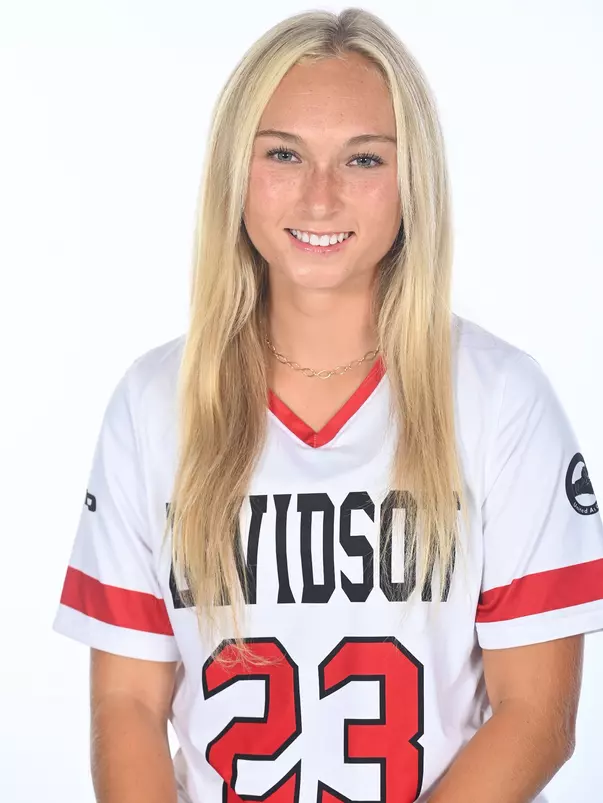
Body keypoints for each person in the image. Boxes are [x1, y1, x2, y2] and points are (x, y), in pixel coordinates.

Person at [52, 8, 603, 803]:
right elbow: (128, 704)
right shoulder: (155, 403)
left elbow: (536, 716)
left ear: (412, 178)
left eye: (363, 158)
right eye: (283, 153)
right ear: (234, 172)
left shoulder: (500, 399)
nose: (319, 196)